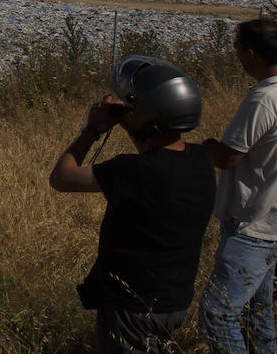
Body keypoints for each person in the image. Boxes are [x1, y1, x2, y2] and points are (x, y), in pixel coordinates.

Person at [51, 60, 215, 354]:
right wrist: (134, 120)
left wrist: (92, 129)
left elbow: (61, 177)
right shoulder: (202, 161)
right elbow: (158, 154)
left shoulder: (131, 171)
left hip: (131, 308)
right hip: (175, 302)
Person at [199, 18, 277, 354]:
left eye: (237, 49)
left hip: (254, 226)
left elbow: (228, 157)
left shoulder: (264, 100)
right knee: (257, 314)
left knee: (217, 314)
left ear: (250, 53)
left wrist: (205, 147)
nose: (237, 57)